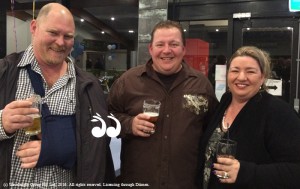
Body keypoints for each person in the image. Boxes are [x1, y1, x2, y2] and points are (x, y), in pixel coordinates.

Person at [0, 3, 114, 187]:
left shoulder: (88, 85)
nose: (61, 42)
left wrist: (61, 147)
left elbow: (100, 140)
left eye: (68, 36)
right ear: (34, 27)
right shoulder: (4, 73)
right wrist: (2, 123)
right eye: (53, 33)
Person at [107, 20, 218, 189]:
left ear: (183, 49)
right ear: (151, 49)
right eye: (160, 44)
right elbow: (106, 117)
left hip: (185, 183)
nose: (167, 50)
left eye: (174, 44)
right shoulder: (128, 82)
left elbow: (213, 129)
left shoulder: (201, 85)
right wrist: (129, 124)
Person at [197, 46, 300, 189]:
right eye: (235, 70)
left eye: (250, 71)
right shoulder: (226, 101)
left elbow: (295, 172)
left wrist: (244, 172)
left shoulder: (278, 112)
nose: (241, 77)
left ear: (263, 76)